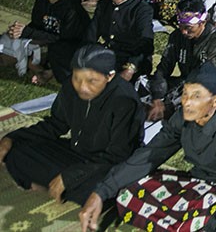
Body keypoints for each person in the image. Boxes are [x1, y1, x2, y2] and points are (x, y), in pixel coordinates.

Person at [80, 63, 216, 232]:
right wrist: (101, 192)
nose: (187, 102)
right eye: (185, 94)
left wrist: (215, 227)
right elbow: (150, 154)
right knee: (130, 190)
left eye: (196, 96)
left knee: (205, 216)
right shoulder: (183, 118)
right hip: (199, 183)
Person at [0, 45, 144, 205]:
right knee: (18, 151)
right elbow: (55, 124)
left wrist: (69, 177)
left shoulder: (124, 101)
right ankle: (57, 187)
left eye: (91, 81)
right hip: (78, 153)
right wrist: (12, 137)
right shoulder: (70, 87)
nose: (82, 87)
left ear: (109, 76)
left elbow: (118, 155)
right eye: (77, 78)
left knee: (98, 190)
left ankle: (63, 187)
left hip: (110, 165)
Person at [143, 0, 216, 121]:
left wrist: (170, 103)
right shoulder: (177, 36)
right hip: (183, 84)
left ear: (202, 23)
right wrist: (158, 98)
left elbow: (208, 82)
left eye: (189, 27)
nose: (184, 31)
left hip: (206, 89)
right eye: (181, 26)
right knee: (142, 82)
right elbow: (164, 68)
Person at [0, 0, 89, 83]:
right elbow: (37, 26)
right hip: (45, 42)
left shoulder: (72, 11)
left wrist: (27, 32)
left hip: (68, 49)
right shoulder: (41, 2)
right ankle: (39, 69)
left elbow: (63, 40)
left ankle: (45, 70)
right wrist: (19, 31)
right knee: (5, 47)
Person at [84, 0, 154, 81]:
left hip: (130, 58)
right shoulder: (104, 5)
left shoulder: (141, 10)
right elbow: (92, 33)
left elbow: (145, 43)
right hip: (108, 54)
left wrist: (131, 67)